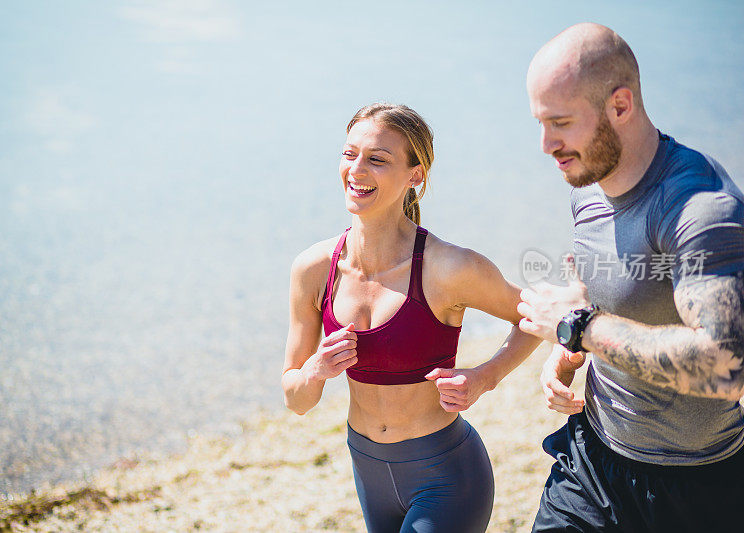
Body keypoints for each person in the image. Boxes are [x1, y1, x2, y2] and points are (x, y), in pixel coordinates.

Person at [518, 23, 744, 532]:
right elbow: (611, 288)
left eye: (560, 122)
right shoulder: (586, 180)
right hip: (593, 459)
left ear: (620, 106)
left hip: (697, 484)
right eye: (540, 123)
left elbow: (727, 366)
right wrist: (568, 351)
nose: (546, 144)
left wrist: (578, 327)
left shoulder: (701, 210)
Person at [282, 103, 541, 532]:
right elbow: (296, 400)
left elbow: (533, 316)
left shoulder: (447, 268)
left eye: (377, 159)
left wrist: (485, 376)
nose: (357, 170)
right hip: (367, 471)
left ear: (415, 175)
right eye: (349, 154)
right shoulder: (313, 269)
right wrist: (316, 370)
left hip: (447, 478)